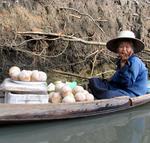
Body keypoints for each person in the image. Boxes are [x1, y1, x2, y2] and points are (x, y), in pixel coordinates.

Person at [88, 30, 148, 99]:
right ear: (117, 49)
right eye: (121, 47)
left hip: (132, 92)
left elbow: (127, 83)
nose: (124, 50)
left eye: (127, 47)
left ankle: (101, 96)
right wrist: (107, 80)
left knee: (108, 95)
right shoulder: (120, 61)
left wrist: (123, 66)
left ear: (132, 49)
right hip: (120, 89)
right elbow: (117, 80)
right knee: (94, 81)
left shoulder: (134, 61)